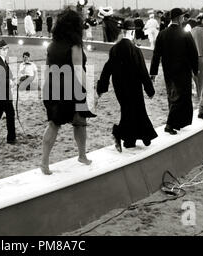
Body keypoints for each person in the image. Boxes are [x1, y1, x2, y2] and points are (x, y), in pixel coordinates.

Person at [41, 9, 95, 175]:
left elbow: (47, 68)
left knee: (54, 124)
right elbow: (79, 71)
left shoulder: (52, 44)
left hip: (52, 87)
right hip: (71, 89)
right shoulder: (75, 45)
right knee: (79, 123)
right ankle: (82, 155)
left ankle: (44, 162)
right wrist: (91, 90)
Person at [97, 19, 157, 151]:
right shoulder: (135, 50)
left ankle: (130, 140)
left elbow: (107, 69)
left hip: (119, 87)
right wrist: (150, 90)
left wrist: (101, 87)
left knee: (127, 110)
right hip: (133, 86)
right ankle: (123, 133)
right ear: (132, 32)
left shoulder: (114, 49)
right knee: (137, 110)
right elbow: (143, 71)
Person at [150, 8, 199, 135]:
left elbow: (156, 55)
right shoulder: (185, 33)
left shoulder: (162, 33)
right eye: (182, 17)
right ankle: (170, 124)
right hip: (183, 70)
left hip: (168, 70)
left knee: (172, 95)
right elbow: (193, 53)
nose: (183, 19)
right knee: (182, 96)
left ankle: (177, 123)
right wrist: (195, 69)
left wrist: (153, 72)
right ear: (179, 18)